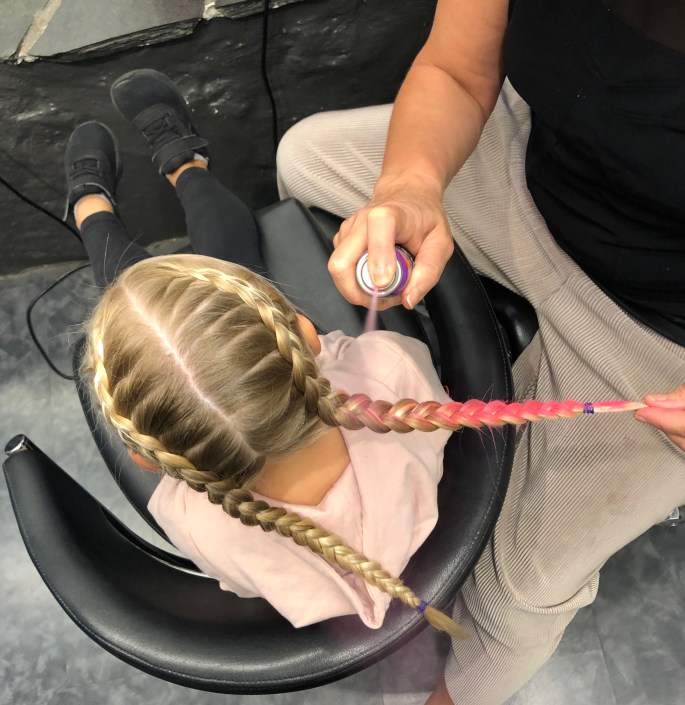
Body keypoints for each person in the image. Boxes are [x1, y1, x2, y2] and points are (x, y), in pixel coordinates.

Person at [275, 0, 685, 703]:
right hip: (534, 173)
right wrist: (409, 187)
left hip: (656, 331)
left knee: (515, 602)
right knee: (305, 160)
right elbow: (456, 71)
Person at [67, 68, 476, 637]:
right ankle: (185, 165)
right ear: (306, 334)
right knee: (209, 276)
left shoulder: (197, 526)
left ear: (149, 458)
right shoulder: (389, 375)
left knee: (136, 297)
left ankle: (90, 208)